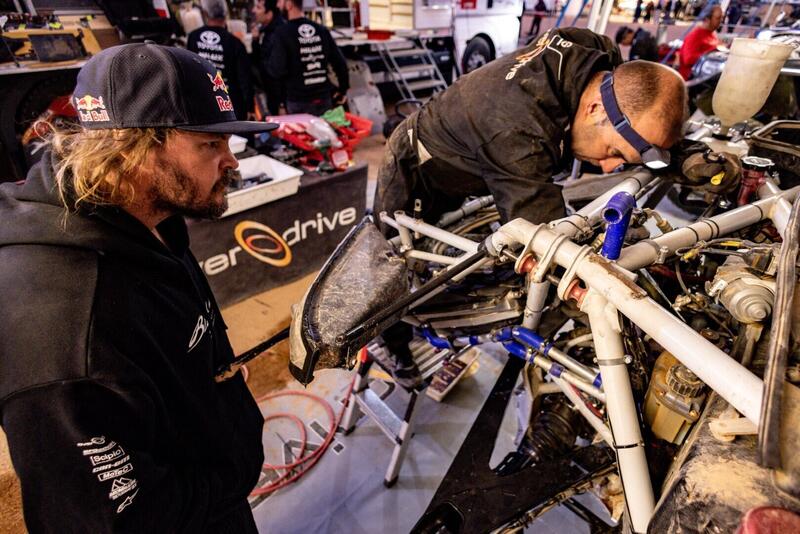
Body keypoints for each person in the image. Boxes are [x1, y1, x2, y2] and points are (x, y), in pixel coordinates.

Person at [0, 43, 275, 532]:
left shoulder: (149, 219)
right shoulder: (65, 331)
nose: (232, 161)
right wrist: (230, 475)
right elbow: (115, 519)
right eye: (211, 145)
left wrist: (208, 382)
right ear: (134, 148)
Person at [374, 28, 687, 388]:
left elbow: (646, 102)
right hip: (419, 167)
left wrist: (680, 156)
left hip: (477, 143)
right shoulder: (516, 133)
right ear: (595, 108)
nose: (608, 167)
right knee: (388, 268)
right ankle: (395, 347)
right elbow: (548, 243)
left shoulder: (597, 52)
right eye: (614, 152)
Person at [267, 0, 349, 116]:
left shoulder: (282, 33)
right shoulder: (321, 30)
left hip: (298, 102)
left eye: (280, 1)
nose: (277, 5)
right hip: (323, 99)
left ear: (289, 4)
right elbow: (340, 63)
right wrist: (343, 90)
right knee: (324, 128)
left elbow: (277, 70)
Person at [188, 0, 255, 120]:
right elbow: (245, 80)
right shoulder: (234, 43)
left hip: (202, 105)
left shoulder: (193, 38)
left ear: (205, 13)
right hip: (230, 108)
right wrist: (250, 108)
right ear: (225, 14)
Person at [251, 0, 287, 116]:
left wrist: (282, 103)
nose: (254, 11)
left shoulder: (279, 33)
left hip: (282, 99)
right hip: (270, 94)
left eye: (259, 7)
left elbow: (280, 71)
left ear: (269, 14)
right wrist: (255, 41)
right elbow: (259, 60)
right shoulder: (265, 30)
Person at [678, 4, 723, 79]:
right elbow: (688, 59)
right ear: (707, 19)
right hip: (693, 80)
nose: (721, 21)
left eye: (722, 18)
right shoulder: (695, 36)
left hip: (707, 76)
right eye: (718, 18)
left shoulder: (712, 33)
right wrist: (710, 55)